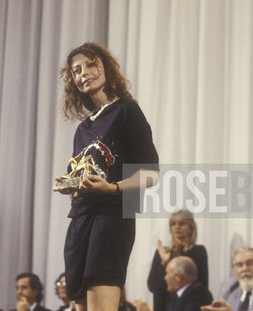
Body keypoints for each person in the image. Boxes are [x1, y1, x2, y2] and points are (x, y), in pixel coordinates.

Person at [54, 42, 159, 311]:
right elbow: (85, 174)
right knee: (77, 301)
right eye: (76, 70)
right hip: (79, 221)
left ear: (106, 69)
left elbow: (152, 174)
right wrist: (70, 184)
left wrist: (112, 188)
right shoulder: (82, 129)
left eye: (91, 64)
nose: (83, 73)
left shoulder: (126, 110)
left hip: (112, 217)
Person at [148, 209, 208, 311]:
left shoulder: (198, 251)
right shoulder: (162, 253)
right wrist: (164, 263)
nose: (176, 227)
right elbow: (152, 286)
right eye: (173, 224)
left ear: (191, 227)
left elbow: (202, 285)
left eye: (182, 223)